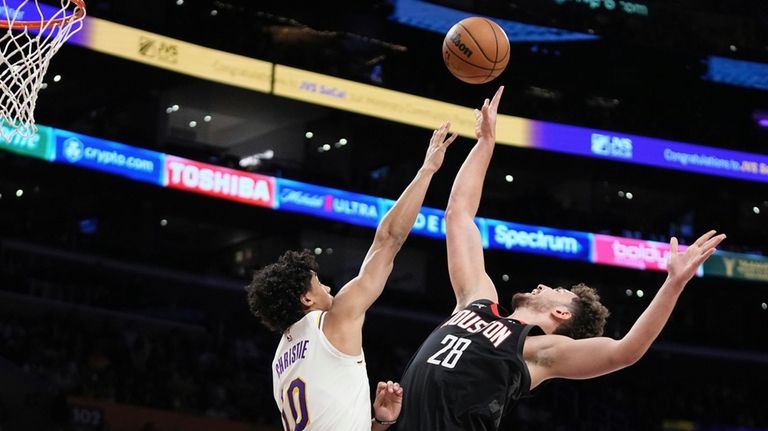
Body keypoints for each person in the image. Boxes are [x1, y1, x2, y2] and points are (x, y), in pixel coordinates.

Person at [394, 87, 726, 431]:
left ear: (562, 313)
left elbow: (624, 351)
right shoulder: (476, 301)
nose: (543, 284)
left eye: (557, 290)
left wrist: (673, 284)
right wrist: (486, 143)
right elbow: (459, 215)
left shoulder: (542, 351)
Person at [246, 122, 458, 430]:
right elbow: (388, 239)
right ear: (306, 298)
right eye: (318, 283)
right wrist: (427, 170)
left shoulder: (281, 360)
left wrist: (377, 422)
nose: (329, 287)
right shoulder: (333, 320)